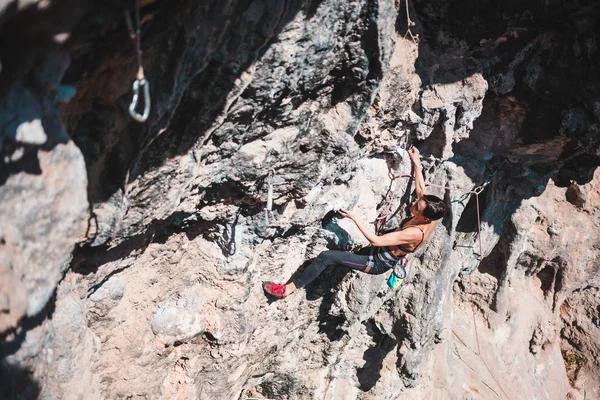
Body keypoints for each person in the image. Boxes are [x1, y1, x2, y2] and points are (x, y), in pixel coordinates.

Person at [263, 146, 447, 299]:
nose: (413, 204)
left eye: (417, 208)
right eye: (416, 202)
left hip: (375, 261)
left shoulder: (416, 233)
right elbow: (421, 189)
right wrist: (415, 161)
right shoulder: (428, 211)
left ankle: (286, 290)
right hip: (379, 250)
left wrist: (354, 217)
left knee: (326, 257)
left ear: (425, 218)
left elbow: (376, 240)